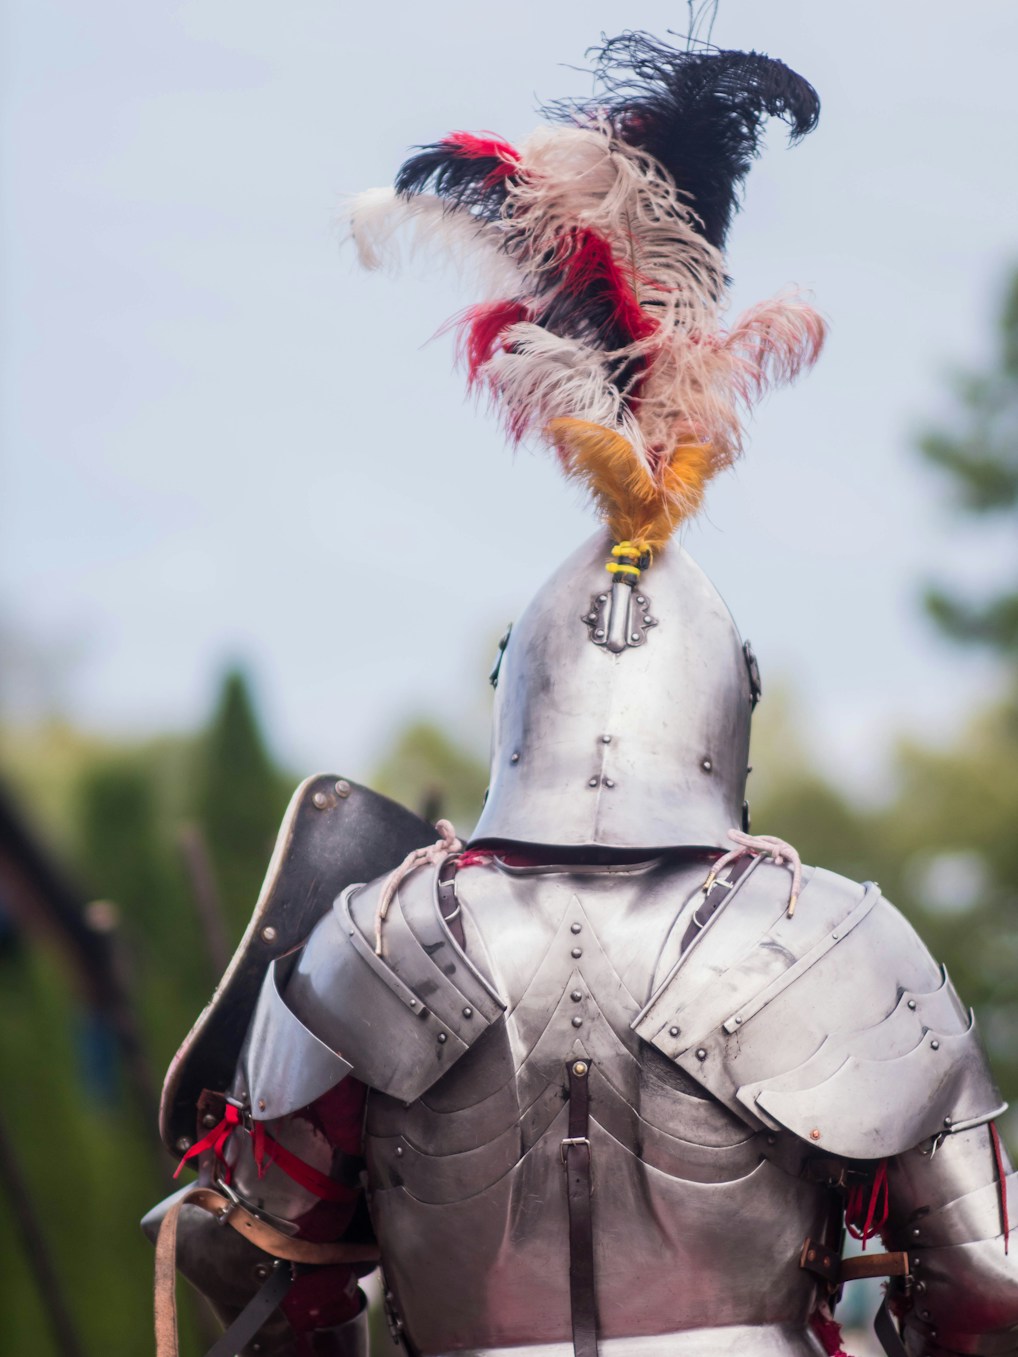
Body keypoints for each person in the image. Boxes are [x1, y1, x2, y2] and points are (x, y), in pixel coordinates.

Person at [145, 35, 1018, 1357]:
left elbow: (254, 1259)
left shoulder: (372, 936)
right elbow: (991, 1289)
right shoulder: (832, 944)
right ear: (725, 708)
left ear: (519, 693)